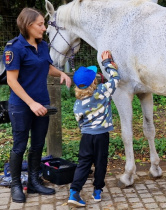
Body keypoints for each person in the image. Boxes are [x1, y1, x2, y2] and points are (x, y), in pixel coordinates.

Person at [2, 8, 71, 203]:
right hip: (22, 106)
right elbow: (12, 81)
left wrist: (62, 74)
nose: (44, 27)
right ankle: (16, 185)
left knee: (38, 144)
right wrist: (31, 103)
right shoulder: (14, 48)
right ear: (28, 25)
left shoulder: (42, 46)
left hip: (42, 103)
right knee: (19, 146)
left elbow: (47, 66)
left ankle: (33, 181)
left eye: (44, 24)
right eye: (40, 24)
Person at [67, 51, 120, 207]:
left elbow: (79, 121)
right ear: (93, 83)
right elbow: (116, 79)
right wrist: (107, 63)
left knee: (83, 163)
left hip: (86, 137)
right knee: (100, 163)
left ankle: (74, 192)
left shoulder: (77, 104)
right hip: (101, 136)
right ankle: (97, 191)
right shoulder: (103, 92)